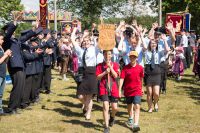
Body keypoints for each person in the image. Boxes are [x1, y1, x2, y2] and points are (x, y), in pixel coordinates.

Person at [71, 27, 98, 120]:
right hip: (83, 73)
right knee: (80, 96)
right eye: (84, 41)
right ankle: (85, 105)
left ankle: (88, 113)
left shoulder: (95, 49)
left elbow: (102, 42)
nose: (86, 42)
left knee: (89, 96)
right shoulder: (80, 50)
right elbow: (72, 40)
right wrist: (74, 31)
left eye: (88, 41)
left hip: (92, 73)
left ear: (90, 41)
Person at [119, 51, 144, 132]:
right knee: (129, 105)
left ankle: (136, 124)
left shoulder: (140, 68)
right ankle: (130, 118)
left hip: (137, 90)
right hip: (128, 90)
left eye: (134, 57)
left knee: (137, 105)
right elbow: (122, 79)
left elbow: (141, 79)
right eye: (131, 57)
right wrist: (119, 90)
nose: (132, 58)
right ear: (129, 57)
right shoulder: (125, 68)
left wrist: (142, 87)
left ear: (136, 58)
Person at [144, 38, 170, 113]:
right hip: (148, 73)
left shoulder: (159, 52)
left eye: (155, 43)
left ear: (157, 45)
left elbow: (167, 50)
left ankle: (155, 102)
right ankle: (150, 107)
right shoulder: (146, 52)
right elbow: (144, 45)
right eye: (152, 43)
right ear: (149, 44)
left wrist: (165, 40)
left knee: (156, 93)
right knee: (149, 92)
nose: (153, 44)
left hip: (157, 73)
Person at [96, 50, 119, 133]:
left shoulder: (115, 65)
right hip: (104, 88)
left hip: (113, 88)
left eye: (109, 54)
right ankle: (106, 126)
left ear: (111, 55)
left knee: (115, 108)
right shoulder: (99, 65)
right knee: (105, 106)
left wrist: (111, 67)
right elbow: (98, 77)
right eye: (105, 54)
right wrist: (105, 72)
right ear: (103, 55)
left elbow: (116, 76)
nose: (107, 56)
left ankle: (112, 117)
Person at [0, 33, 12, 114]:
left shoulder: (1, 48)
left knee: (1, 94)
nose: (3, 40)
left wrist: (7, 56)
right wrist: (5, 55)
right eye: (1, 39)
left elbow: (5, 61)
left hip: (3, 73)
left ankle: (0, 109)